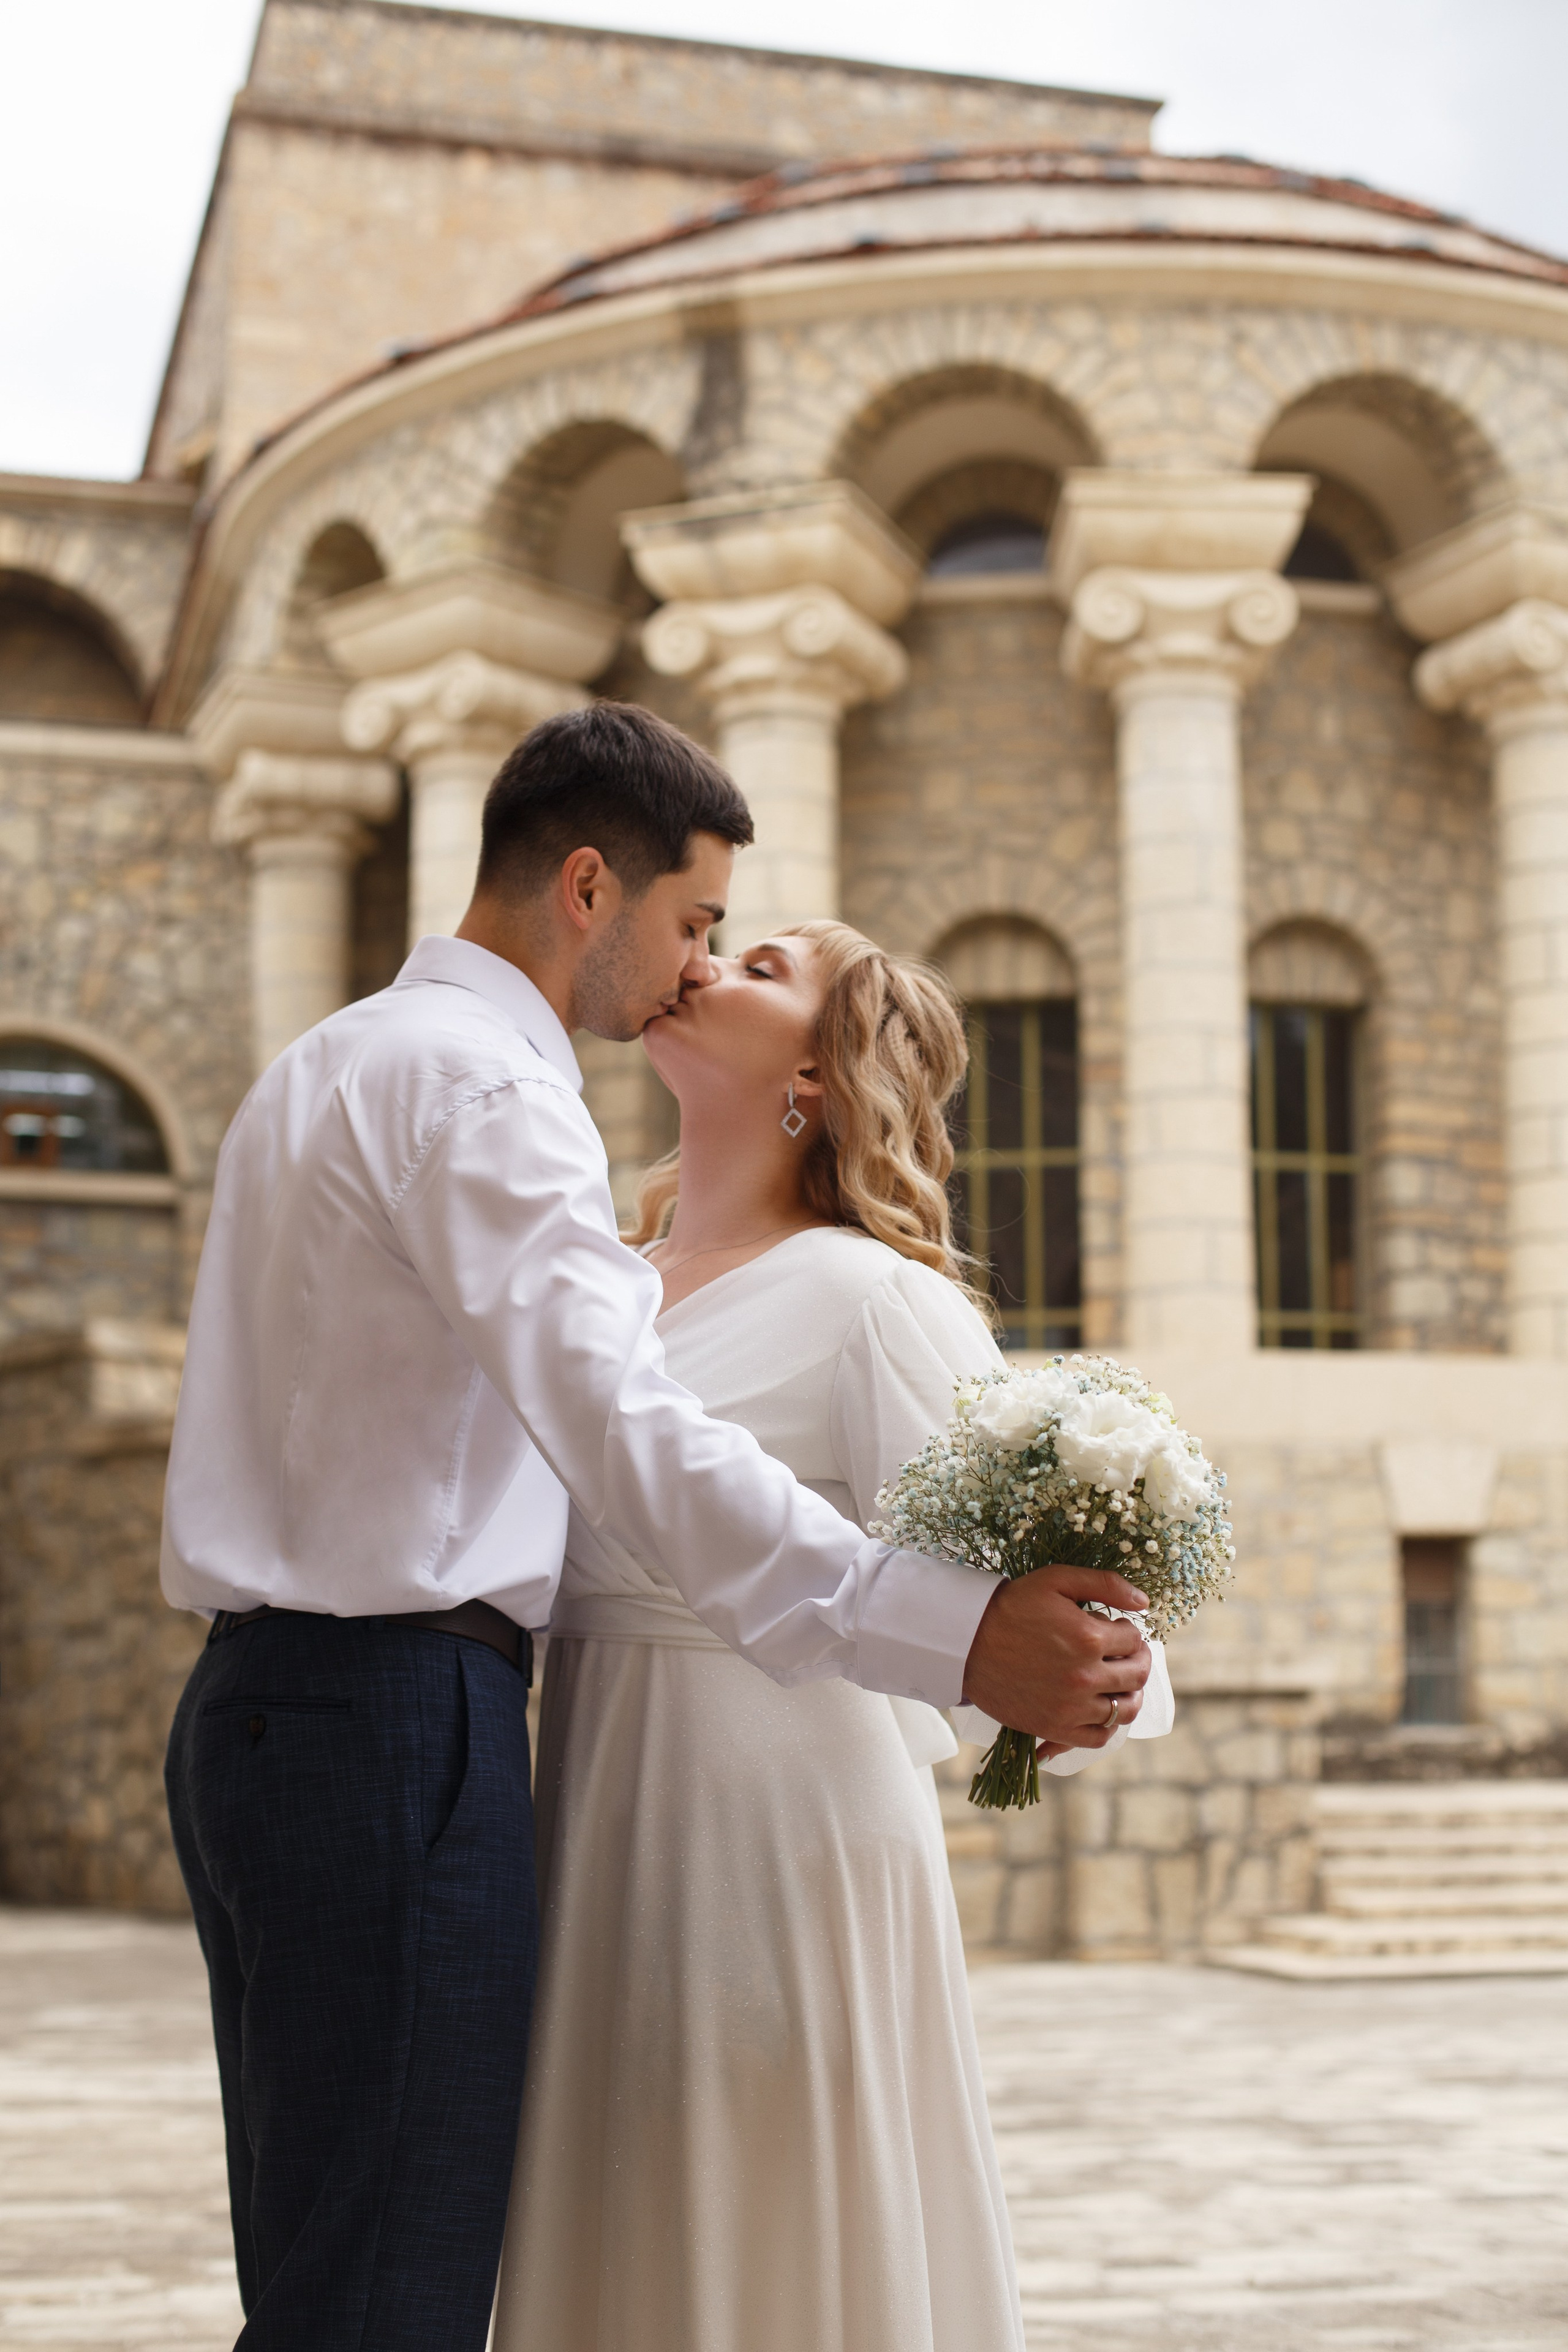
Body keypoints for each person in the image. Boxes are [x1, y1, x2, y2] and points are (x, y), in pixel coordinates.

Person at [161, 704, 1153, 2351]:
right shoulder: (493, 1090)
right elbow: (628, 1431)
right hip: (410, 1730)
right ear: (585, 887)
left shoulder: (322, 1064)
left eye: (739, 952)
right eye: (698, 923)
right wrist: (940, 1629)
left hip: (293, 1720)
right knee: (388, 2286)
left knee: (346, 2265)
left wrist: (1015, 1642)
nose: (694, 966)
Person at [492, 919, 1172, 2352]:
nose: (703, 963)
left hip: (777, 1828)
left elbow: (1039, 1616)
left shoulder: (873, 1297)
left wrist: (1102, 1668)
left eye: (760, 967)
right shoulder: (598, 1283)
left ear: (815, 1072)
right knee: (616, 2209)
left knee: (762, 2212)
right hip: (589, 1802)